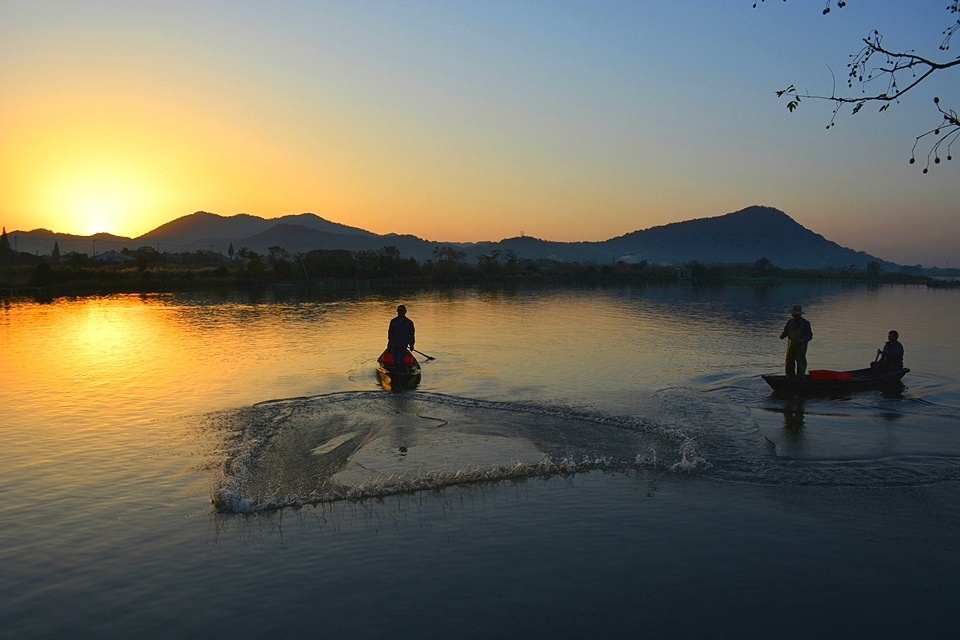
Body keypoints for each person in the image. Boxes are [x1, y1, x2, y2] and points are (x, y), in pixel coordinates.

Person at [779, 304, 813, 378]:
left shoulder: (805, 323)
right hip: (790, 344)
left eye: (796, 314)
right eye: (793, 314)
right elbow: (786, 331)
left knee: (800, 361)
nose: (794, 315)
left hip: (801, 345)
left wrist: (803, 340)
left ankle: (800, 377)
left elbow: (809, 335)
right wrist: (783, 335)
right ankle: (789, 376)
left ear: (799, 315)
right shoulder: (790, 322)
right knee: (789, 360)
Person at [387, 304, 416, 371]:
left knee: (399, 361)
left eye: (401, 311)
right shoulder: (393, 321)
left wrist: (412, 344)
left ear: (405, 312)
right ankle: (399, 373)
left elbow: (412, 334)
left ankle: (403, 372)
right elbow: (390, 332)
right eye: (399, 311)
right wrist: (389, 343)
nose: (400, 312)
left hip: (403, 344)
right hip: (394, 344)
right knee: (395, 361)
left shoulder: (409, 322)